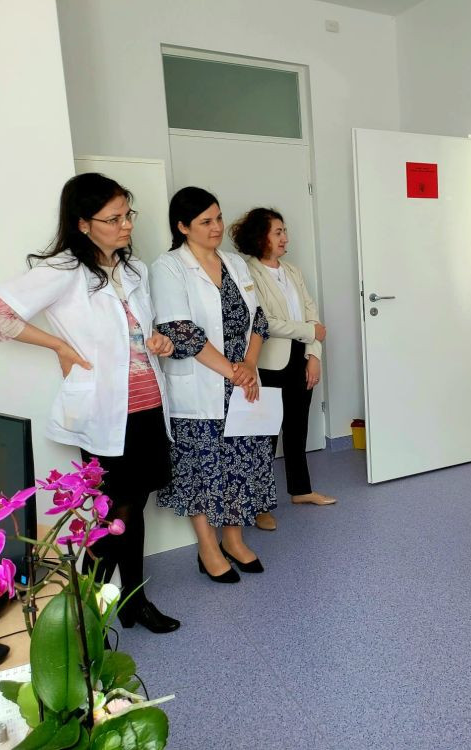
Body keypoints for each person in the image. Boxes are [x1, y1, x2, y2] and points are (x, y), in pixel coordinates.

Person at [0, 173, 180, 633]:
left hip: (148, 404)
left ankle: (130, 601)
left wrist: (159, 341)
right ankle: (82, 612)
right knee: (114, 513)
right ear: (83, 223)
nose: (126, 225)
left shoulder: (134, 269)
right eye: (114, 218)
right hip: (106, 412)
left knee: (135, 504)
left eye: (128, 214)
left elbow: (137, 333)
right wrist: (59, 345)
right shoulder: (64, 270)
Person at [150, 187, 276, 584]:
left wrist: (249, 364)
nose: (216, 227)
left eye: (218, 218)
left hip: (242, 379)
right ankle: (208, 549)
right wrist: (232, 371)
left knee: (240, 462)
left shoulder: (234, 263)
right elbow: (180, 330)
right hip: (203, 386)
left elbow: (259, 319)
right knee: (202, 469)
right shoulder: (168, 267)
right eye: (205, 221)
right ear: (182, 226)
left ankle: (234, 540)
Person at [232, 207, 335, 532]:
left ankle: (301, 490)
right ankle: (260, 505)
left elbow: (313, 314)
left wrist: (314, 355)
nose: (285, 238)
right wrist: (309, 332)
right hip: (269, 363)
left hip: (301, 357)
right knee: (264, 435)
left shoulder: (292, 271)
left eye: (284, 231)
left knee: (297, 428)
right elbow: (266, 322)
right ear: (260, 236)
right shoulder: (248, 273)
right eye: (278, 232)